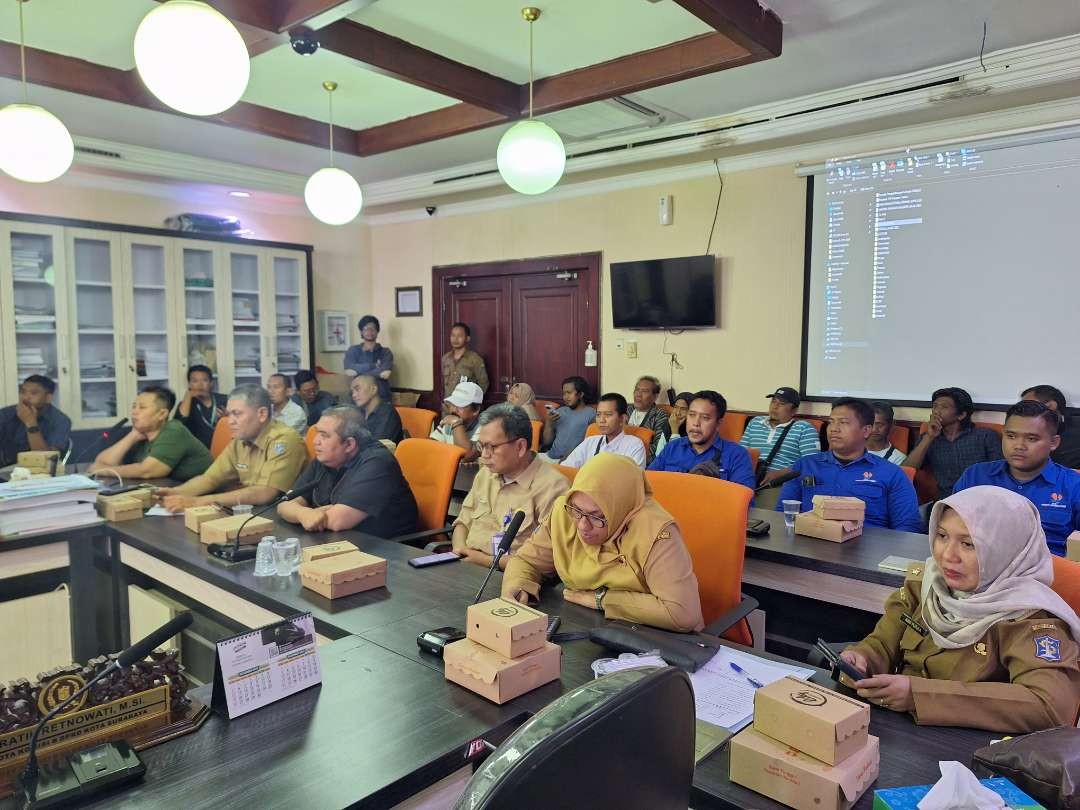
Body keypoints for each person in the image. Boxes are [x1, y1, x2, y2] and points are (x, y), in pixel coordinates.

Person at [840, 487, 1080, 732]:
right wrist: (863, 658)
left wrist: (919, 696)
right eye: (942, 536)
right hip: (899, 732)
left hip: (968, 754)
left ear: (1005, 550)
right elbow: (882, 642)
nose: (947, 555)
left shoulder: (1027, 617)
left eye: (968, 544)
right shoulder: (926, 586)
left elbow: (1050, 706)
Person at [502, 453, 704, 633]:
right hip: (588, 626)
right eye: (577, 510)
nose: (582, 525)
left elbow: (682, 613)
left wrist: (602, 600)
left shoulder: (656, 532)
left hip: (655, 638)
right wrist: (517, 586)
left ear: (620, 508)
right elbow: (526, 561)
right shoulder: (564, 511)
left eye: (597, 516)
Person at [954, 400, 1080, 557]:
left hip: (1048, 574)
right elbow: (951, 529)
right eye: (1011, 436)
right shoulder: (975, 476)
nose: (1019, 445)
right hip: (980, 568)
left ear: (1053, 442)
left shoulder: (1074, 485)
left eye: (1032, 439)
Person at [777, 398, 921, 532]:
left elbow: (907, 528)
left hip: (866, 553)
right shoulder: (804, 466)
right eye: (831, 422)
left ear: (866, 430)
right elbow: (783, 514)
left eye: (843, 422)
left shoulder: (892, 474)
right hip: (810, 545)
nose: (834, 428)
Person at [453, 404, 569, 569]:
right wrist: (459, 549)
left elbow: (546, 562)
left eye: (491, 447)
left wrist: (481, 560)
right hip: (465, 564)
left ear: (520, 447)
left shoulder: (553, 487)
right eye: (481, 446)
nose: (484, 455)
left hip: (509, 579)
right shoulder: (486, 474)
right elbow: (463, 521)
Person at [157, 385, 308, 511]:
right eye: (229, 415)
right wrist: (176, 493)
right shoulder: (241, 439)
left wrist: (197, 502)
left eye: (237, 414)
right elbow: (210, 478)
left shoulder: (284, 440)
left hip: (284, 516)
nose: (230, 422)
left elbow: (265, 493)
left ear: (262, 414)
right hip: (253, 510)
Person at [278, 406, 417, 537]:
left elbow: (336, 521)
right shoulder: (326, 459)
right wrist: (303, 514)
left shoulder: (378, 462)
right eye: (317, 433)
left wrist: (307, 513)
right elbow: (284, 504)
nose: (315, 441)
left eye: (324, 436)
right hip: (345, 543)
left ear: (349, 444)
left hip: (390, 550)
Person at [88, 387, 211, 482]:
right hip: (173, 493)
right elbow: (101, 462)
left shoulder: (174, 430)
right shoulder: (143, 434)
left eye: (142, 408)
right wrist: (132, 436)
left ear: (162, 414)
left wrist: (102, 470)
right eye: (134, 406)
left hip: (206, 499)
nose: (134, 412)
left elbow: (147, 471)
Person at [648, 390, 756, 491]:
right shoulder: (673, 447)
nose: (696, 423)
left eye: (705, 418)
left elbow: (743, 501)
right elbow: (647, 483)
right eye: (692, 415)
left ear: (718, 423)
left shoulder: (737, 455)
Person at [904, 387, 1002, 497]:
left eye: (944, 407)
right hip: (945, 500)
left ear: (961, 415)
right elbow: (906, 471)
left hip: (980, 498)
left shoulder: (985, 436)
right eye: (935, 406)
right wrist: (929, 437)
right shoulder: (928, 438)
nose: (936, 411)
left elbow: (1000, 473)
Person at [740, 387, 821, 485]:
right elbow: (740, 452)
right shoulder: (755, 422)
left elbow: (812, 463)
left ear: (794, 410)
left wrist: (780, 474)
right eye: (773, 401)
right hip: (747, 478)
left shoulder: (803, 428)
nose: (775, 406)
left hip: (779, 484)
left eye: (781, 404)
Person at [0, 375, 71, 467]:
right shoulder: (6, 414)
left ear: (48, 398)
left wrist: (31, 423)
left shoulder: (60, 421)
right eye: (22, 392)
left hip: (41, 472)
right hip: (5, 470)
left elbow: (47, 461)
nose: (25, 397)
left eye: (33, 393)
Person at [561, 393, 646, 469]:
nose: (601, 420)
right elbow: (566, 468)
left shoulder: (634, 445)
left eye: (608, 415)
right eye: (598, 415)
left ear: (622, 419)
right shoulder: (590, 442)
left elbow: (635, 479)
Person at [1022, 384, 1080, 469]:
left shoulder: (1076, 433)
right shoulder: (1023, 430)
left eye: (1027, 406)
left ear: (1051, 406)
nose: (1022, 411)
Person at [540, 376, 596, 463]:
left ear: (580, 394)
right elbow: (547, 442)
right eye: (564, 393)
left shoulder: (591, 414)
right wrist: (549, 423)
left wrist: (569, 456)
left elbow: (589, 443)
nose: (565, 397)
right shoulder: (560, 411)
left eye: (569, 393)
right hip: (550, 456)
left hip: (572, 460)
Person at [174, 365, 227, 449]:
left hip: (223, 447)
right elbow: (178, 427)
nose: (200, 385)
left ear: (211, 383)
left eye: (204, 380)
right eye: (195, 381)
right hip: (197, 451)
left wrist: (226, 419)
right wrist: (188, 395)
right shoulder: (186, 404)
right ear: (189, 384)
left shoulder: (224, 400)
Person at [343, 315, 394, 400]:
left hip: (381, 396)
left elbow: (385, 374)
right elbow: (349, 372)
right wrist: (373, 366)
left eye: (372, 328)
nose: (369, 331)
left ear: (377, 331)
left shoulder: (385, 352)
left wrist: (359, 372)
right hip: (357, 397)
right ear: (361, 332)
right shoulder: (353, 350)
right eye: (366, 328)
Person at [432, 381, 484, 462]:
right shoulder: (449, 422)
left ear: (476, 410)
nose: (453, 410)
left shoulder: (485, 427)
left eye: (460, 406)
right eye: (452, 405)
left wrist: (456, 423)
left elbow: (466, 455)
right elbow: (431, 447)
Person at [441, 322, 489, 404]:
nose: (455, 339)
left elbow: (484, 384)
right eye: (453, 335)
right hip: (448, 408)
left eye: (459, 336)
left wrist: (472, 403)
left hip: (466, 409)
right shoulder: (445, 358)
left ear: (467, 338)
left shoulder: (475, 359)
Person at [350, 374, 404, 444]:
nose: (353, 395)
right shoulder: (358, 413)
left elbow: (377, 446)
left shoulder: (387, 413)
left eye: (357, 389)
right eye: (352, 392)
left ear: (373, 389)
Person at [629, 375, 672, 457]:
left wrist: (633, 453)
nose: (638, 394)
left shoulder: (660, 415)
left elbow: (659, 447)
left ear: (655, 397)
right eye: (637, 390)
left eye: (644, 391)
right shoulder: (625, 410)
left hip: (642, 459)